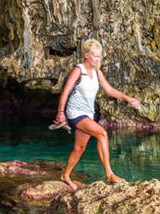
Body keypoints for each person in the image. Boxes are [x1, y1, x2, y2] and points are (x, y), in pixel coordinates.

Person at [55, 39, 140, 190]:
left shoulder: (97, 72)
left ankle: (65, 175)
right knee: (102, 134)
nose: (98, 59)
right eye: (95, 56)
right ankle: (109, 175)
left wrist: (127, 98)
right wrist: (60, 112)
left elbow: (109, 90)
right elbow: (66, 91)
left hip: (87, 113)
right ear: (86, 55)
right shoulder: (78, 70)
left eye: (99, 56)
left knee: (79, 148)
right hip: (75, 112)